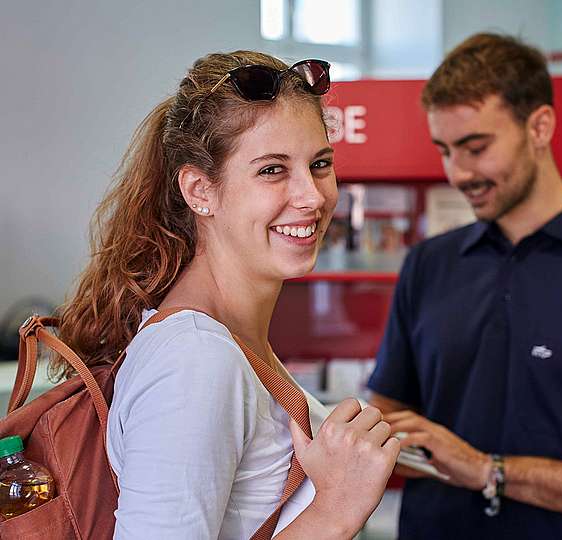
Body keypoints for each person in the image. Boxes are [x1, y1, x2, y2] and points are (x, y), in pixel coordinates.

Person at [51, 51, 400, 539]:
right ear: (200, 190)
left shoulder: (229, 339)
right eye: (272, 170)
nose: (313, 196)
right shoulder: (196, 360)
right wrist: (336, 508)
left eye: (320, 164)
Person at [367, 33, 562, 540]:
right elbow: (388, 409)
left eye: (476, 147)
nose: (458, 173)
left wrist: (488, 470)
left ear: (539, 126)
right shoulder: (428, 264)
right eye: (445, 151)